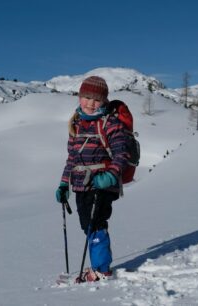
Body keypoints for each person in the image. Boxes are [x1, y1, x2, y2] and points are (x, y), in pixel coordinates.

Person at [55, 76, 129, 282]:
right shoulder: (77, 124)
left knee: (96, 224)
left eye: (96, 99)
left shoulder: (109, 123)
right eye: (86, 97)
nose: (90, 103)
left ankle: (101, 269)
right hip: (81, 185)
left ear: (104, 101)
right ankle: (98, 265)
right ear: (80, 97)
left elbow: (122, 154)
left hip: (102, 184)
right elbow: (72, 158)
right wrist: (63, 183)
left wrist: (111, 176)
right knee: (87, 225)